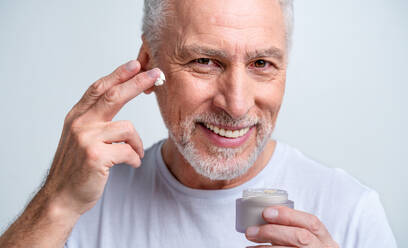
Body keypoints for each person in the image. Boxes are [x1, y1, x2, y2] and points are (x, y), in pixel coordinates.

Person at [0, 0, 397, 247]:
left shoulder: (351, 212)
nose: (237, 105)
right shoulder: (85, 203)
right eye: (205, 61)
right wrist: (56, 201)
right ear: (149, 60)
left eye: (262, 64)